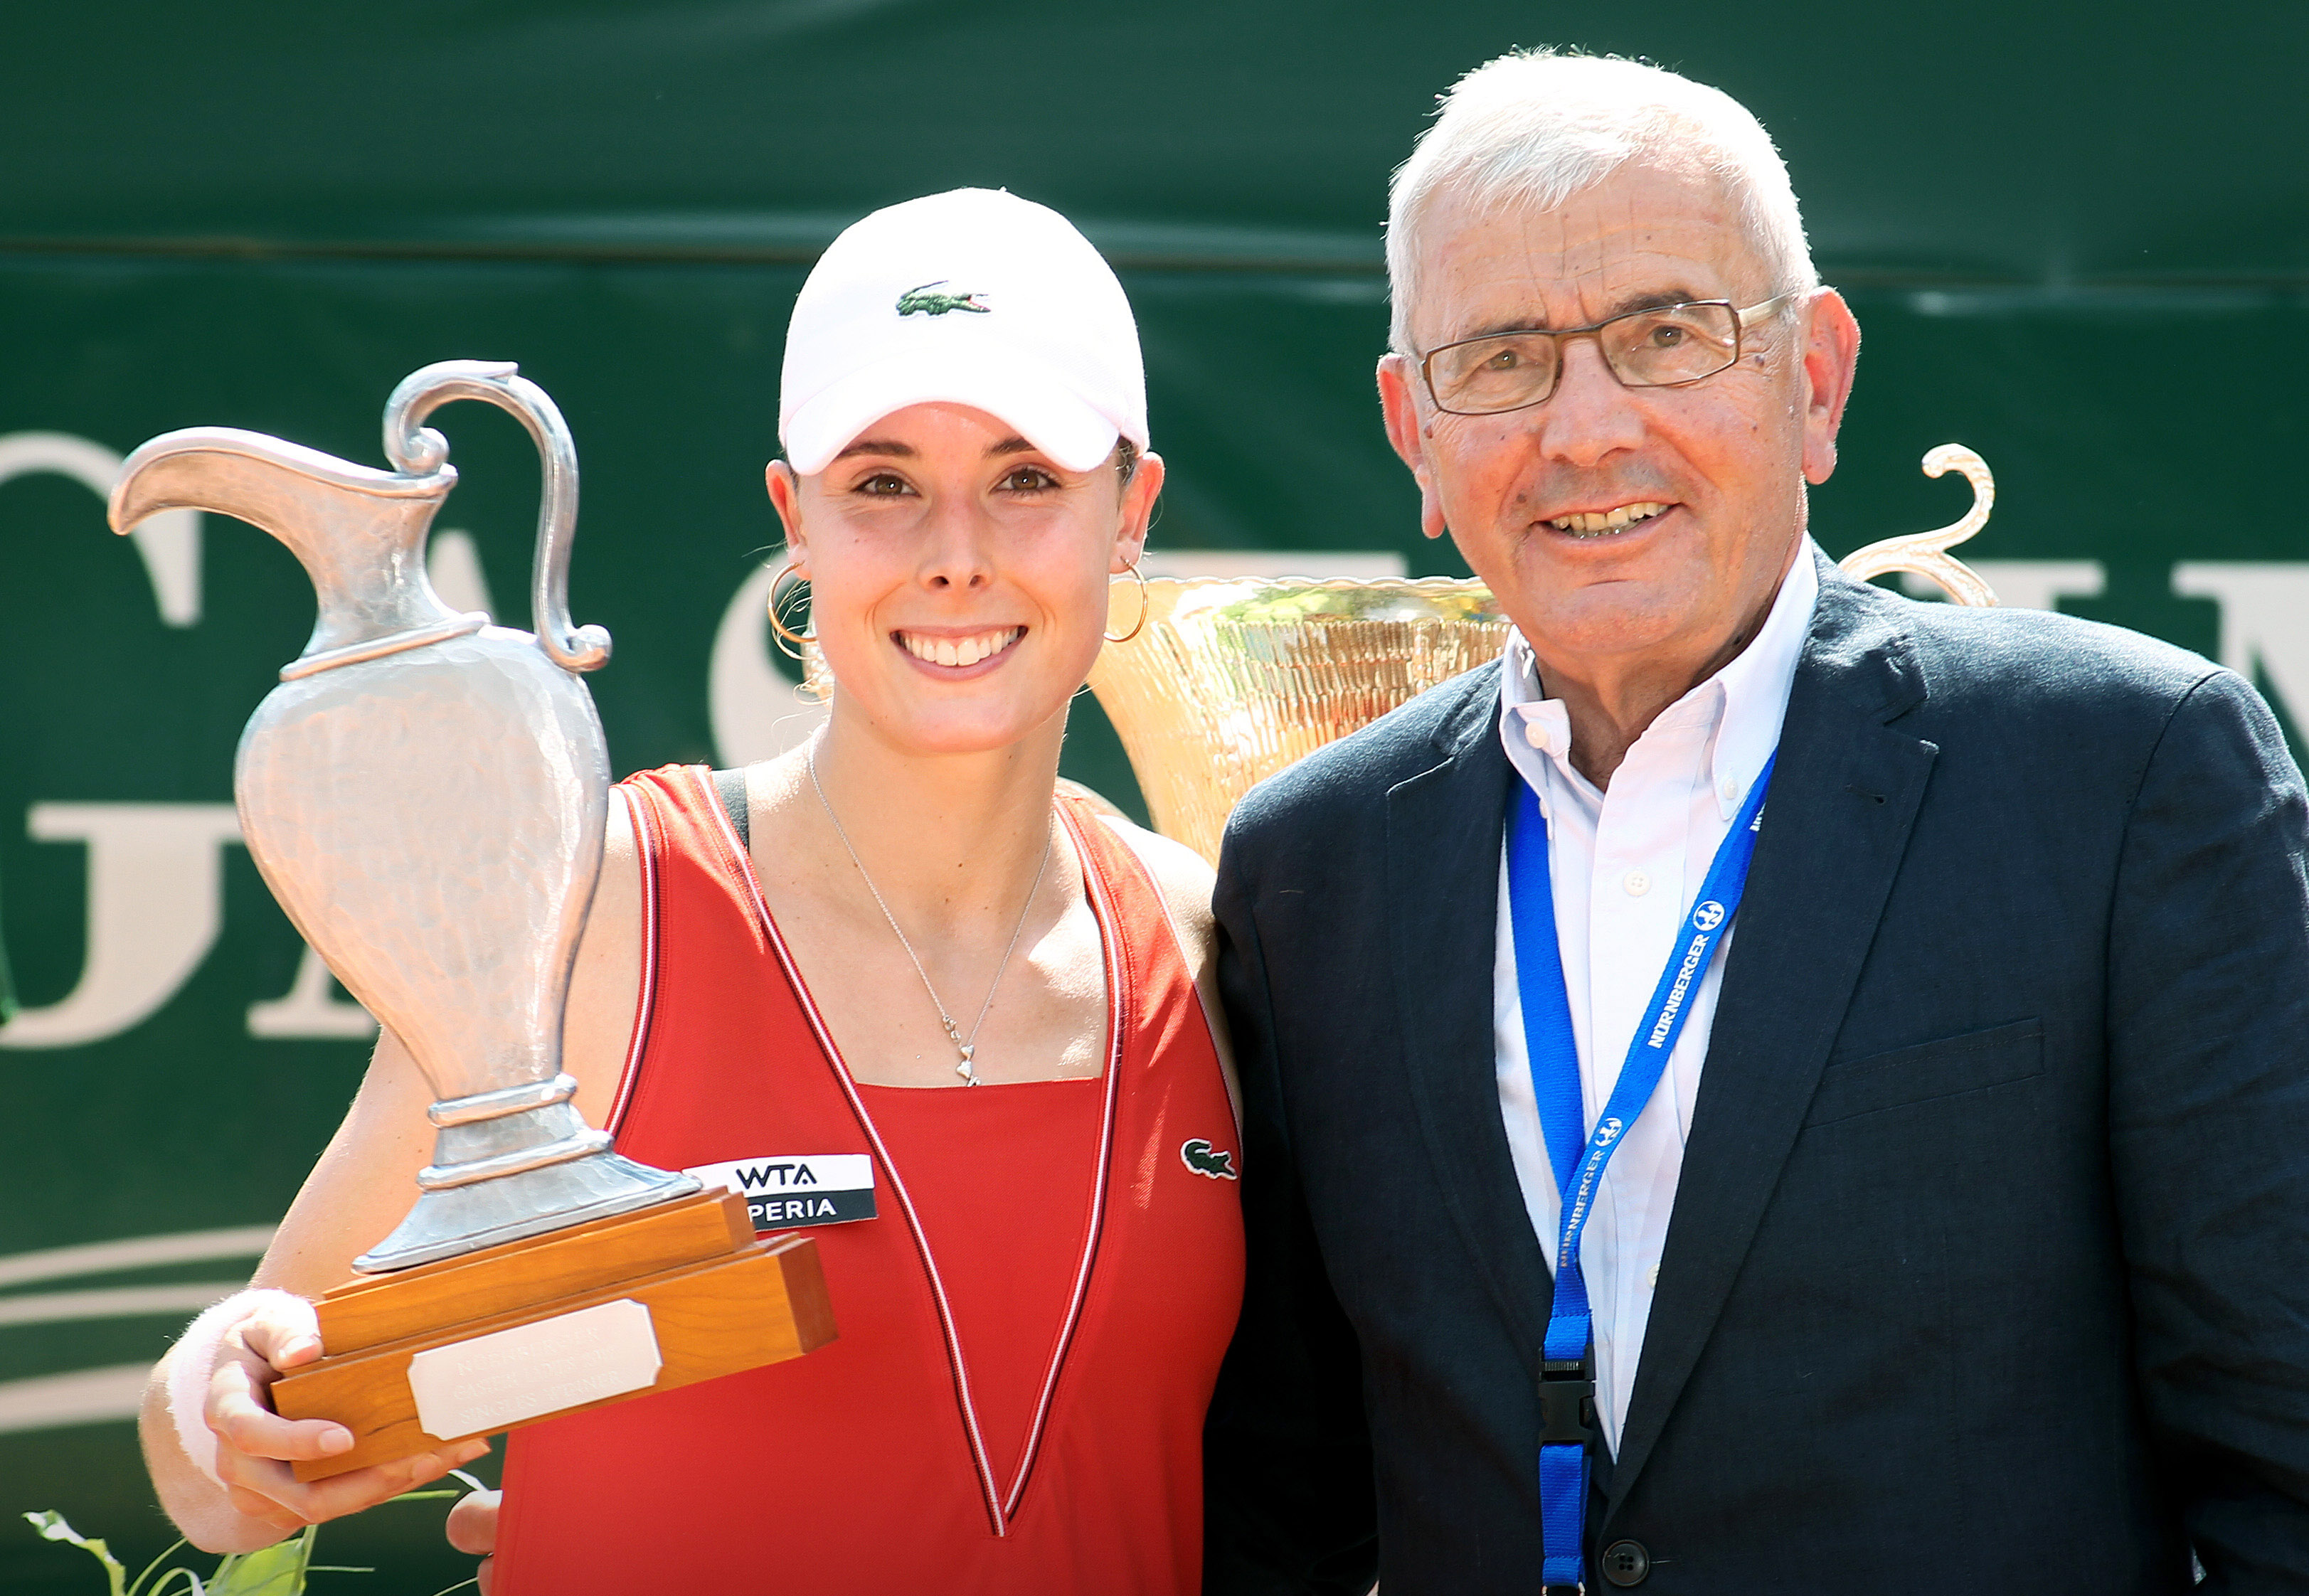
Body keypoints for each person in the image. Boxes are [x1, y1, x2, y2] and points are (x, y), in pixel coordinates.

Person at [1202, 48, 2309, 1595]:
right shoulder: (1315, 868)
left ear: (1815, 378)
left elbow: (2284, 1467)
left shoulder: (2127, 776)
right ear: (1413, 433)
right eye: (1504, 358)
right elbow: (1283, 1518)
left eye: (1666, 334)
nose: (1585, 429)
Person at [138, 187, 1245, 1595]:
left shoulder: (1207, 941)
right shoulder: (597, 903)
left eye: (1028, 477)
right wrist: (217, 1393)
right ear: (795, 514)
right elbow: (246, 1449)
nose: (955, 549)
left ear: (1129, 511)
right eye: (883, 481)